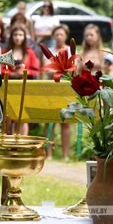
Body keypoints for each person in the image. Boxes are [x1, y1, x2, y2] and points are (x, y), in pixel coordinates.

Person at [43, 24, 72, 159]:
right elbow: (47, 69)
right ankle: (48, 153)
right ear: (53, 37)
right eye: (56, 34)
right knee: (49, 122)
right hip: (52, 88)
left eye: (61, 34)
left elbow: (73, 68)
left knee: (66, 122)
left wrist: (60, 70)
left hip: (66, 89)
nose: (59, 37)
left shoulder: (70, 51)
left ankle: (65, 155)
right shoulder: (50, 51)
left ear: (66, 36)